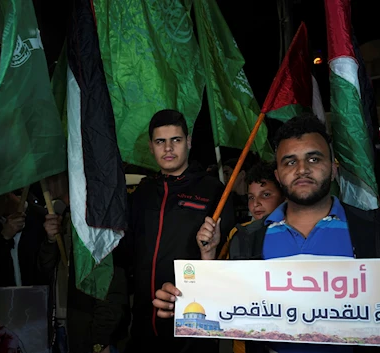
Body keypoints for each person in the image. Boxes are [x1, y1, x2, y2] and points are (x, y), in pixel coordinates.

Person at [155, 114, 380, 353]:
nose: (302, 169)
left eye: (314, 158)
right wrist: (183, 299)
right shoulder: (249, 238)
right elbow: (224, 304)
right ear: (278, 173)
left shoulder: (372, 232)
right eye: (289, 162)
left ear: (333, 168)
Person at [126, 109, 234, 352]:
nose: (168, 148)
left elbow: (228, 261)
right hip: (144, 319)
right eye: (160, 142)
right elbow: (127, 253)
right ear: (151, 147)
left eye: (176, 140)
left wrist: (213, 249)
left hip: (192, 318)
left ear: (189, 142)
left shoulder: (213, 190)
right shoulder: (142, 193)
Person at [38, 171, 128, 353]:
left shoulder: (95, 218)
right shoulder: (62, 215)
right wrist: (50, 240)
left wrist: (100, 341)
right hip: (62, 327)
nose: (46, 182)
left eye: (52, 175)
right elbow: (45, 271)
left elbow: (111, 283)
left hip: (89, 333)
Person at [218, 159, 285, 260]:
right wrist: (208, 252)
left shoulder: (293, 230)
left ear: (284, 196)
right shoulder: (239, 233)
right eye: (251, 197)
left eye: (266, 195)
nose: (255, 203)